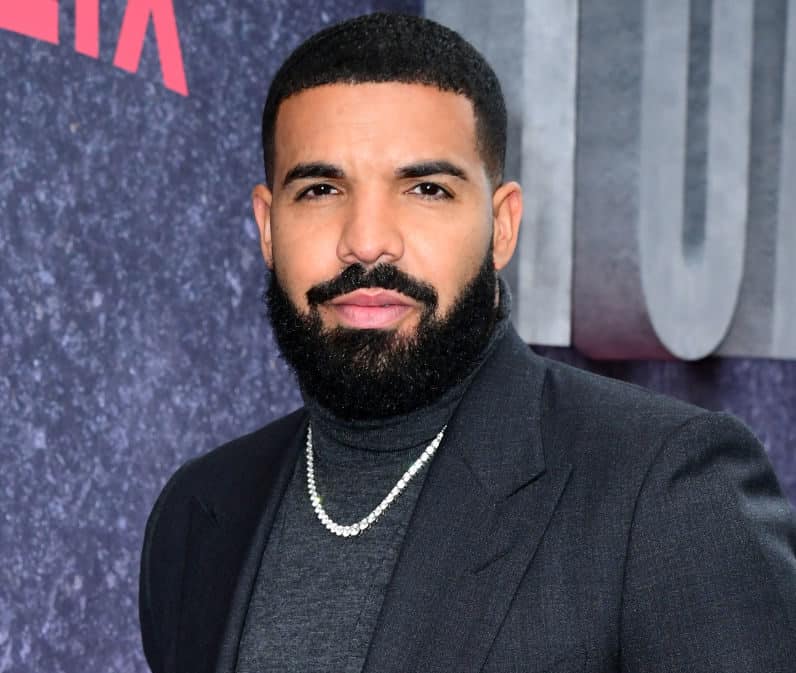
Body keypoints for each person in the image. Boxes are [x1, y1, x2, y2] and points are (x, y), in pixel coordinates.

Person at [138, 12, 796, 673]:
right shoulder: (199, 513)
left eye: (426, 189)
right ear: (267, 226)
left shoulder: (665, 489)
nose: (367, 241)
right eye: (321, 189)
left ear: (501, 225)